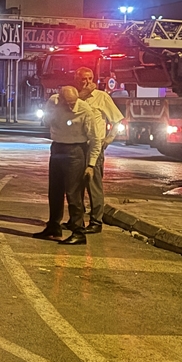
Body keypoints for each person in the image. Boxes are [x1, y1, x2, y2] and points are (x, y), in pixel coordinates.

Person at [34, 85, 103, 245]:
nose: (71, 106)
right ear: (60, 99)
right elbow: (46, 122)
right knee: (55, 191)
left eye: (74, 102)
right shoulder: (53, 102)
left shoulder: (85, 110)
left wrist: (91, 165)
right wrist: (51, 111)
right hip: (57, 147)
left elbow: (95, 139)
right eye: (68, 103)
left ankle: (78, 231)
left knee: (73, 193)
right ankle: (53, 226)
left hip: (76, 151)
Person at [75, 67, 123, 235]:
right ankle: (76, 220)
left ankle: (96, 221)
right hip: (77, 145)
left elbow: (117, 120)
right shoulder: (75, 97)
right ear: (77, 79)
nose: (87, 82)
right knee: (76, 185)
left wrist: (108, 139)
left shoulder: (102, 97)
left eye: (90, 78)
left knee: (93, 184)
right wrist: (81, 95)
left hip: (94, 146)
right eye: (83, 79)